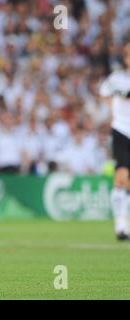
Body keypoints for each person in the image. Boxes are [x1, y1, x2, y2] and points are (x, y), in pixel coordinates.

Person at [100, 43, 130, 241]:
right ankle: (120, 223)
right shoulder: (117, 79)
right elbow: (104, 92)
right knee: (121, 175)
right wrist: (114, 113)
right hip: (121, 131)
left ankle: (125, 223)